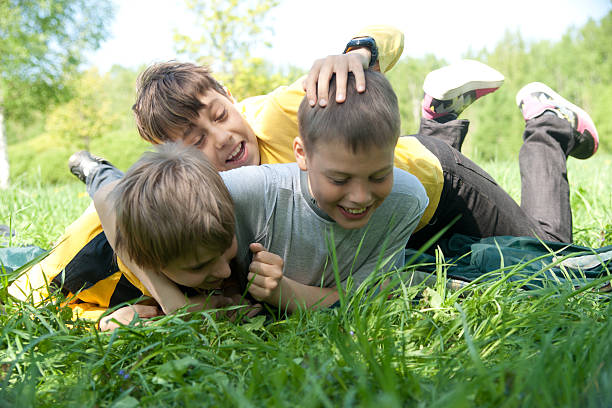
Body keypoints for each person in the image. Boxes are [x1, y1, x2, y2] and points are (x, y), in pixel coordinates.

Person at [93, 70, 429, 315]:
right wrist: (170, 303)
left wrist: (357, 51)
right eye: (196, 141)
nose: (222, 137)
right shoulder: (195, 198)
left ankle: (437, 122)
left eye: (222, 115)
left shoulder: (276, 117)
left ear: (232, 101)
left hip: (433, 175)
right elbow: (114, 202)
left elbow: (357, 76)